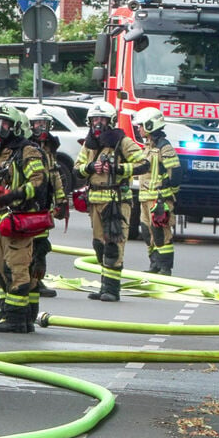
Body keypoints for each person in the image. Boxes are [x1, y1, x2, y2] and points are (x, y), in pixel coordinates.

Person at [0, 104, 47, 334]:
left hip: (17, 220)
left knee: (17, 269)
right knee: (0, 269)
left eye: (4, 125)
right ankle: (6, 312)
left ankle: (17, 319)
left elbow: (38, 182)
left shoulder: (27, 152)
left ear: (16, 128)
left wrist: (12, 196)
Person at [73, 100, 148, 302]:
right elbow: (76, 168)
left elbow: (143, 164)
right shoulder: (89, 144)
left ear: (111, 121)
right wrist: (90, 168)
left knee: (114, 245)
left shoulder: (121, 142)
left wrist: (119, 169)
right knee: (99, 245)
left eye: (102, 119)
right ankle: (104, 285)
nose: (97, 123)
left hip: (117, 202)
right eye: (94, 119)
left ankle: (112, 290)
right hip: (95, 201)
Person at [25, 105, 69, 301]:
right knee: (28, 244)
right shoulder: (24, 147)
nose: (41, 128)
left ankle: (36, 280)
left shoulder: (49, 148)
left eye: (44, 124)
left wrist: (61, 200)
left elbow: (54, 176)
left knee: (41, 245)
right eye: (37, 124)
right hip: (28, 205)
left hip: (44, 205)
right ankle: (26, 280)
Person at [132, 107, 182, 275]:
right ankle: (154, 264)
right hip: (145, 198)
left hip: (159, 200)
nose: (138, 129)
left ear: (150, 125)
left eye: (141, 126)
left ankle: (165, 267)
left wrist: (167, 195)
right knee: (147, 232)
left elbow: (175, 173)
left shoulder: (164, 147)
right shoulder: (147, 146)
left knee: (161, 233)